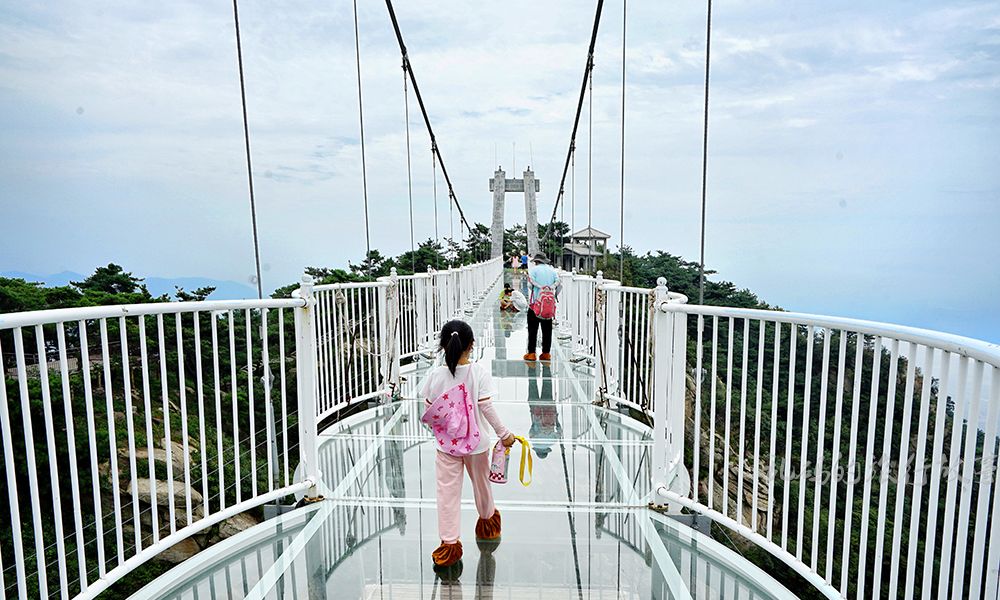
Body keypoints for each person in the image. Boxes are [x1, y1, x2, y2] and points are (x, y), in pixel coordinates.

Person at [421, 319, 515, 568]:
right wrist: (504, 434)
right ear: (471, 345)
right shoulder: (478, 372)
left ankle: (449, 545)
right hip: (476, 445)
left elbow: (429, 411)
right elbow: (486, 407)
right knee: (482, 485)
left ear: (443, 344)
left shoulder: (436, 375)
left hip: (447, 447)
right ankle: (487, 525)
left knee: (447, 494)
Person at [524, 253, 559, 362]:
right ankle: (546, 353)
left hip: (536, 304)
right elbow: (558, 283)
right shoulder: (552, 271)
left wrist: (539, 288)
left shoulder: (534, 270)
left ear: (536, 261)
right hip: (548, 305)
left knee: (532, 330)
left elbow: (530, 285)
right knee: (547, 330)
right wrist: (550, 289)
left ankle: (531, 353)